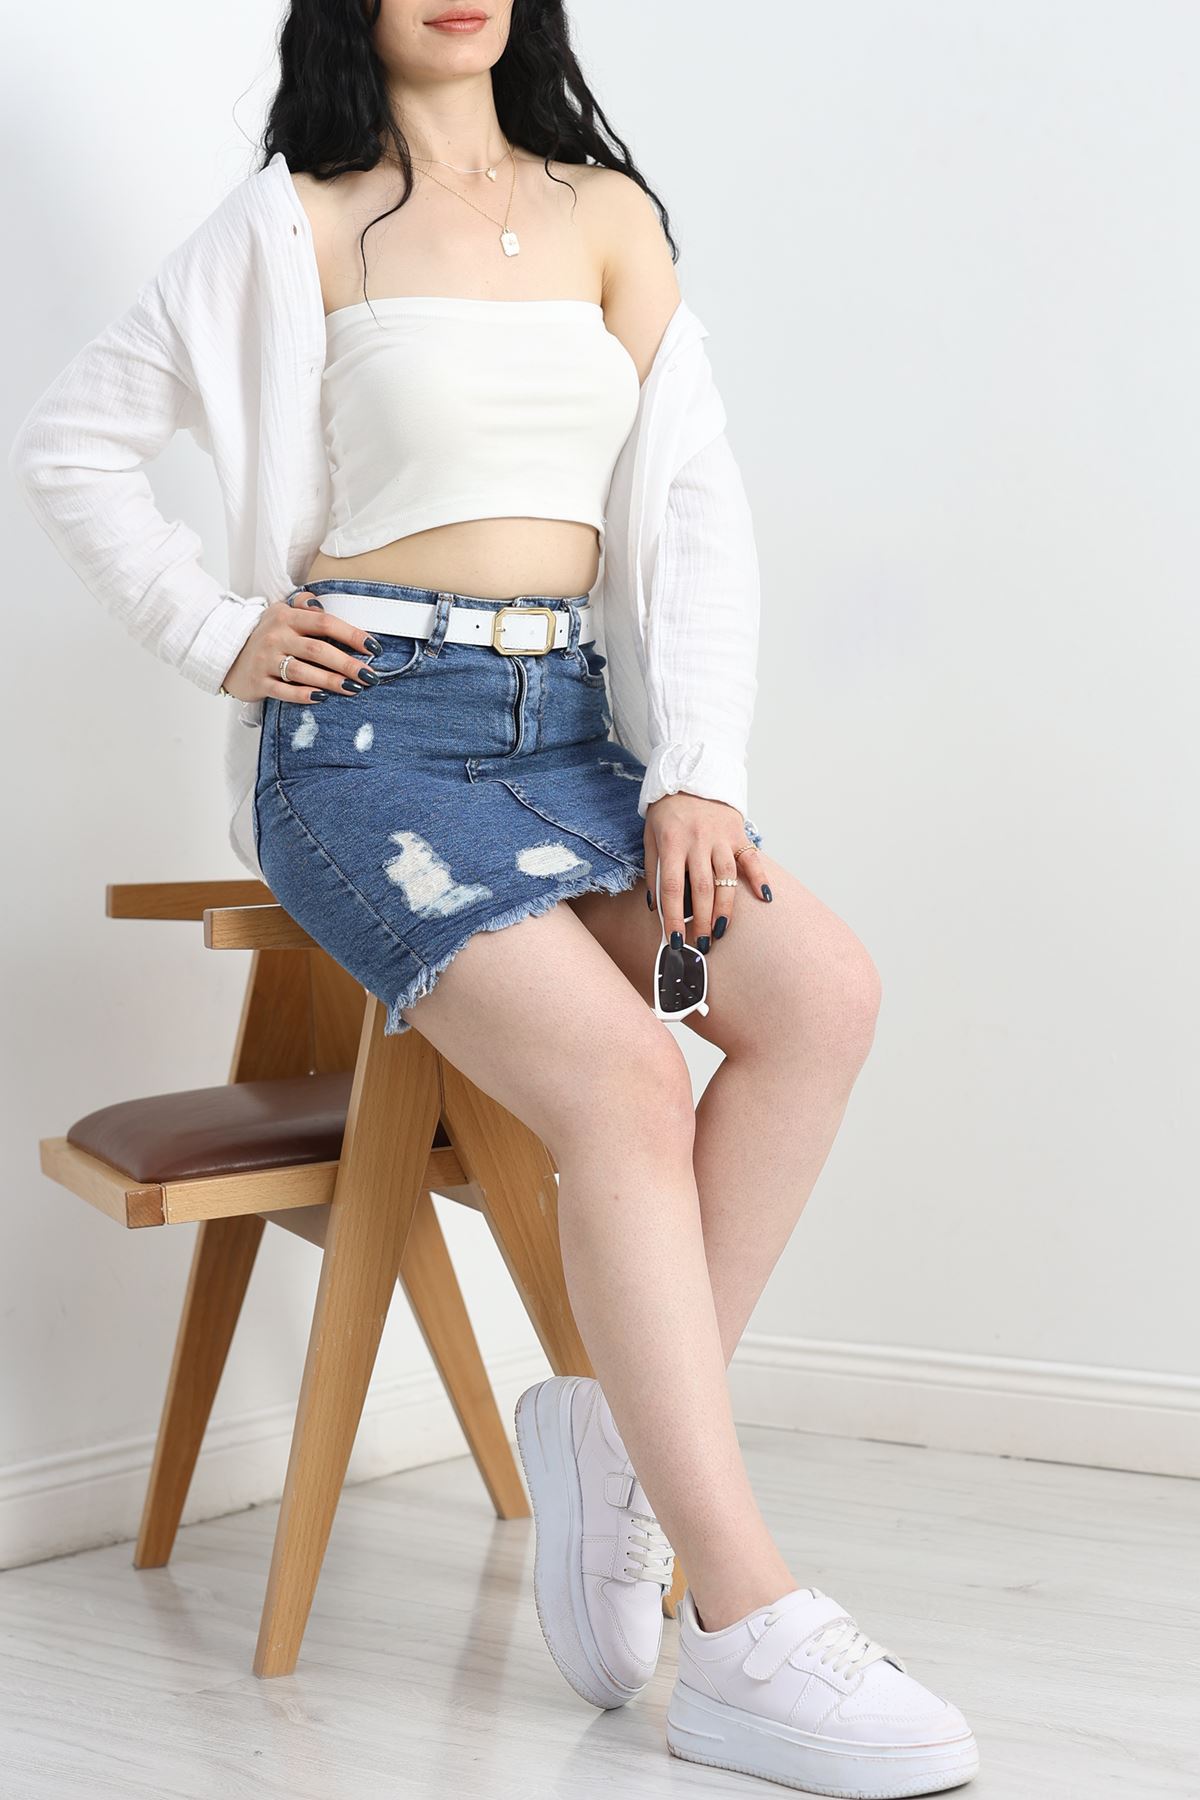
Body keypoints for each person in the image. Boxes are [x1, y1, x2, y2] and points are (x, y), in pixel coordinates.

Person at [9, 3, 977, 1793]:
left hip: (580, 735)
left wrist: (700, 769)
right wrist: (219, 633)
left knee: (819, 996)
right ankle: (743, 1620)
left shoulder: (609, 211)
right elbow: (74, 442)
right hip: (369, 746)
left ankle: (609, 1436)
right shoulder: (292, 220)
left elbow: (695, 504)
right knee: (623, 1080)